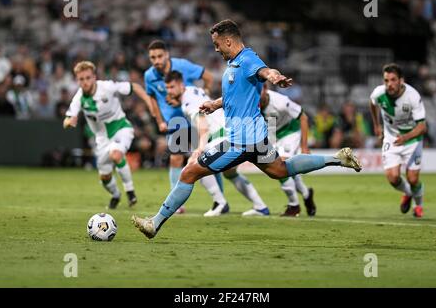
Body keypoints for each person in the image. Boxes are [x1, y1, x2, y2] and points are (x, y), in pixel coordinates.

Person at [132, 19, 362, 239]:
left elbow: (265, 71)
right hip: (256, 138)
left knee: (188, 173)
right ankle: (338, 159)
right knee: (281, 170)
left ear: (228, 41)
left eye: (217, 44)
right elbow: (236, 94)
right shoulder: (234, 65)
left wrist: (275, 76)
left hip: (239, 141)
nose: (216, 49)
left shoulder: (248, 58)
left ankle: (155, 223)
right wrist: (215, 103)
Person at [165, 70, 270, 216]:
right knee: (230, 173)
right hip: (229, 131)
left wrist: (199, 149)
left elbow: (203, 124)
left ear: (181, 85)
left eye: (172, 87)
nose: (169, 91)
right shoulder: (192, 90)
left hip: (219, 136)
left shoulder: (188, 103)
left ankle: (220, 203)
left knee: (196, 165)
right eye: (167, 88)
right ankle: (261, 207)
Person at [63, 61, 156, 209]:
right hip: (102, 140)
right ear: (77, 80)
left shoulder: (107, 87)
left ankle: (130, 192)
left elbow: (135, 87)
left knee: (116, 155)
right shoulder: (78, 98)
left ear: (94, 77)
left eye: (88, 78)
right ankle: (115, 195)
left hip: (121, 128)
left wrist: (150, 104)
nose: (85, 82)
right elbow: (67, 119)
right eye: (81, 79)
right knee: (105, 177)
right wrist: (70, 121)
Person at [144, 39, 218, 214]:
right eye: (152, 57)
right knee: (176, 158)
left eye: (159, 56)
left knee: (209, 158)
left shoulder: (182, 65)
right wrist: (159, 120)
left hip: (196, 118)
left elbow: (208, 76)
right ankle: (177, 202)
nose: (156, 61)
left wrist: (204, 97)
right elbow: (152, 98)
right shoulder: (149, 76)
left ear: (167, 55)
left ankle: (219, 200)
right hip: (176, 122)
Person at [369, 63, 427, 218]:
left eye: (393, 80)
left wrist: (406, 137)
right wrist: (376, 125)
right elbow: (372, 103)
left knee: (413, 178)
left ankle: (418, 205)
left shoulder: (413, 96)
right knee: (393, 177)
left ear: (401, 80)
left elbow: (422, 127)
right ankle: (408, 193)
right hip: (391, 138)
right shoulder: (378, 93)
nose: (389, 84)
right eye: (386, 80)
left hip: (412, 140)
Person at [260, 83, 316, 217]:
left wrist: (304, 147)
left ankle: (294, 206)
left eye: (259, 90)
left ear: (266, 89)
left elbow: (303, 117)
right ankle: (307, 194)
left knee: (279, 167)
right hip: (272, 135)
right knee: (288, 170)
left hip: (289, 133)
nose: (255, 93)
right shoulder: (251, 101)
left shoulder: (281, 102)